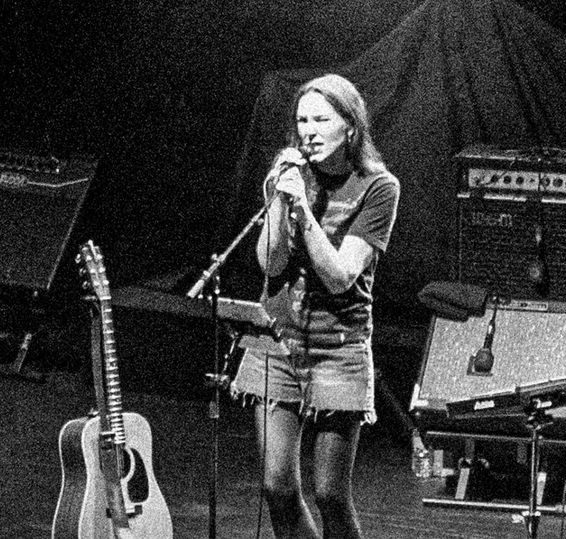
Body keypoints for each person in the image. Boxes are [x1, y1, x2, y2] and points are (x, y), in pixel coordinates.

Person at [230, 73, 400, 539]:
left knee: (329, 492)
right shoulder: (287, 179)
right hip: (276, 342)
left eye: (321, 119)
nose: (309, 129)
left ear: (350, 126)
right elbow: (271, 261)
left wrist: (303, 210)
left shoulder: (379, 187)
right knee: (276, 486)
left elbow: (342, 275)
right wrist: (280, 201)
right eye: (302, 119)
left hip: (337, 346)